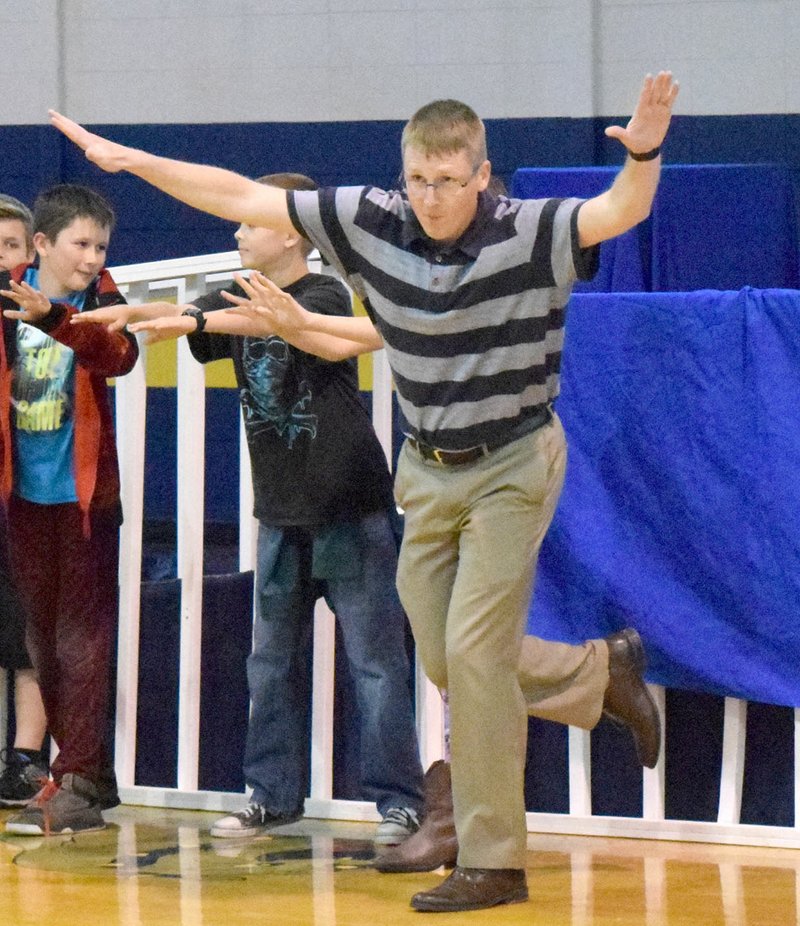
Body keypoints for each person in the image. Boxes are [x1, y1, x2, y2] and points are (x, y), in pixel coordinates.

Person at [50, 70, 677, 910]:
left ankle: (494, 859)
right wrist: (131, 160)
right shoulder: (370, 220)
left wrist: (644, 149)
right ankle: (599, 674)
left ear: (481, 176)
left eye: (448, 180)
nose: (430, 196)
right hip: (428, 468)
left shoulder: (530, 231)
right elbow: (238, 193)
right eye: (417, 178)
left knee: (478, 654)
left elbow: (620, 208)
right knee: (451, 655)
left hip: (515, 462)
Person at [73, 172, 425, 846]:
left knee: (376, 665)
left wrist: (195, 318)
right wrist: (139, 314)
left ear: (292, 234)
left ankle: (399, 803)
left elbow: (257, 319)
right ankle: (271, 796)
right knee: (270, 664)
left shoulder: (321, 293)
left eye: (250, 222)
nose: (236, 231)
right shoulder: (232, 290)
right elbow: (191, 317)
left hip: (349, 507)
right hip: (281, 514)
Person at [0, 183, 138, 834]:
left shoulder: (103, 299)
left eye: (100, 246)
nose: (90, 257)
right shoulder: (6, 296)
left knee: (81, 641)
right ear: (44, 244)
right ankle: (82, 772)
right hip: (23, 499)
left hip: (84, 502)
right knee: (40, 642)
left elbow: (119, 354)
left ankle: (78, 779)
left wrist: (55, 319)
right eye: (80, 244)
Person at [0, 195, 50, 806]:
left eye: (12, 246)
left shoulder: (44, 313)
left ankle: (27, 757)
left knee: (25, 628)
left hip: (29, 490)